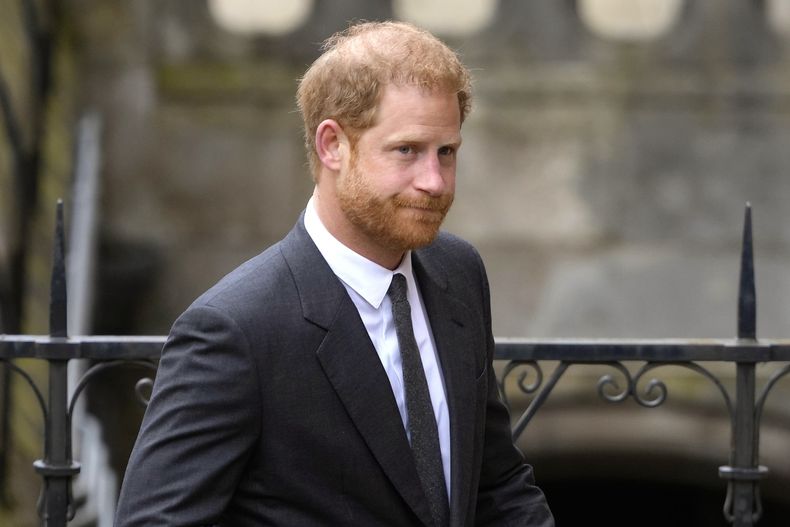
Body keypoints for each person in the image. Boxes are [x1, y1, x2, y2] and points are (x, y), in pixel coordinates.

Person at [115, 20, 553, 527]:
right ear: (332, 146)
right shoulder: (234, 329)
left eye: (446, 152)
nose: (434, 181)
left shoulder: (459, 273)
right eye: (407, 150)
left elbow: (496, 486)